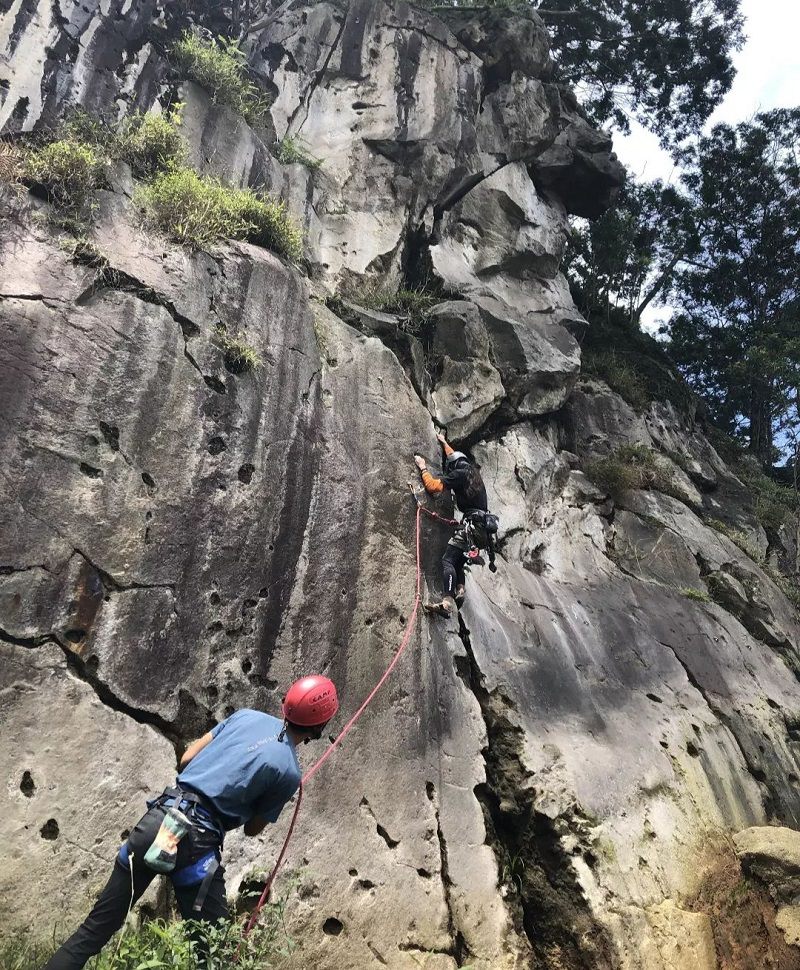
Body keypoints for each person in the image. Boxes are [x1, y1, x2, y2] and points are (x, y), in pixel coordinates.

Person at [44, 675, 339, 970]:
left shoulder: (245, 716)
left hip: (159, 818)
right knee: (214, 959)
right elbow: (252, 830)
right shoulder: (288, 772)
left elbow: (186, 759)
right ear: (320, 725)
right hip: (195, 846)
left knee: (91, 933)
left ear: (286, 702)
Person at [414, 432, 498, 616]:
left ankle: (447, 601)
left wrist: (422, 468)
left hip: (472, 527)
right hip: (482, 531)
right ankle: (460, 589)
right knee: (459, 560)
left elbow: (433, 487)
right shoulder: (472, 472)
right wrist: (444, 442)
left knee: (448, 560)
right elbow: (455, 457)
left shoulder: (459, 474)